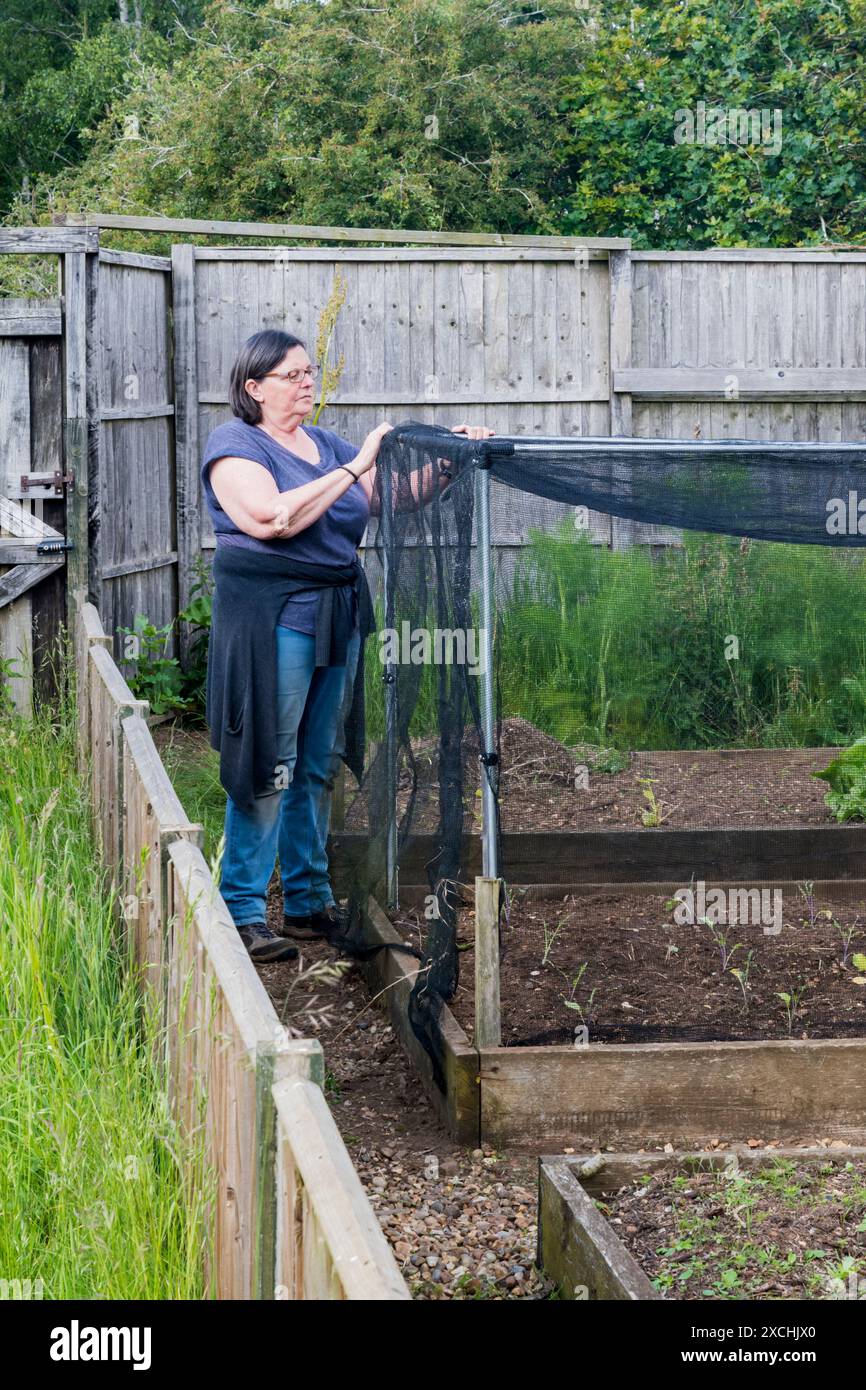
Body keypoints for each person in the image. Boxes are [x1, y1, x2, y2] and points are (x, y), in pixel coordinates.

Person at [200, 327, 493, 963]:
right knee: (269, 762)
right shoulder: (235, 446)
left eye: (310, 372)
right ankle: (244, 909)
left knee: (315, 763)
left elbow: (385, 497)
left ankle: (307, 903)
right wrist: (355, 465)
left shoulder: (323, 445)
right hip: (273, 620)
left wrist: (449, 463)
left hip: (337, 614)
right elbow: (271, 518)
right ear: (254, 387)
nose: (307, 383)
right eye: (292, 375)